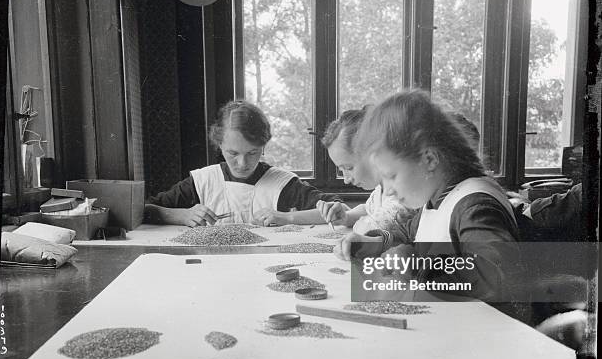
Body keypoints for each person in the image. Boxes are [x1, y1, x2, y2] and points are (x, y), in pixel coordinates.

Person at [334, 89, 521, 302]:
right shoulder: (436, 198)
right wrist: (374, 242)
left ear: (429, 159)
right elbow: (407, 233)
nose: (388, 191)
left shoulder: (474, 206)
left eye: (391, 176)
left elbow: (494, 277)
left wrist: (416, 265)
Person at [145, 100, 342, 227]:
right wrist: (181, 216)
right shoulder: (202, 181)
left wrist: (287, 218)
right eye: (232, 153)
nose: (242, 163)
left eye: (252, 152)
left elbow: (338, 208)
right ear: (219, 144)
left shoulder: (282, 184)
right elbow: (145, 209)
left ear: (263, 146)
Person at [315, 106, 415, 235]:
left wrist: (359, 223)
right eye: (342, 170)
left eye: (349, 168)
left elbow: (373, 227)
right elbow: (370, 210)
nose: (346, 180)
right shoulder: (382, 188)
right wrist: (346, 217)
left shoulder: (405, 190)